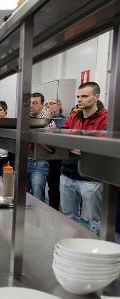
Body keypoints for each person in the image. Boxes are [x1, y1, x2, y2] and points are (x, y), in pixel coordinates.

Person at [60, 82, 107, 235]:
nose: (79, 99)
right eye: (78, 96)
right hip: (68, 172)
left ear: (96, 97)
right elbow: (62, 138)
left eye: (84, 96)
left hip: (91, 177)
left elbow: (101, 146)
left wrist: (77, 145)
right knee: (68, 217)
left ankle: (96, 253)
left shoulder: (106, 117)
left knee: (94, 220)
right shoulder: (74, 116)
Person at [44, 98, 67, 210]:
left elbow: (59, 138)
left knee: (55, 189)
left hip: (58, 160)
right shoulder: (42, 120)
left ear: (59, 105)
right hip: (44, 158)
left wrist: (48, 119)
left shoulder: (64, 120)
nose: (48, 106)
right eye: (46, 104)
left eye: (52, 103)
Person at [27, 92, 49, 202]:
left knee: (37, 197)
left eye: (35, 103)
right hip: (23, 161)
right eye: (30, 103)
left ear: (42, 105)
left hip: (39, 163)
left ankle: (39, 219)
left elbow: (49, 143)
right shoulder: (24, 120)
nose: (31, 105)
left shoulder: (48, 121)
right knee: (22, 195)